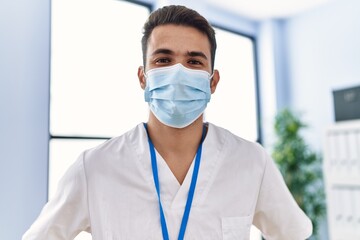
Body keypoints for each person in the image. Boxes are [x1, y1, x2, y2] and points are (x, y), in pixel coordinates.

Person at [23, 5, 313, 240]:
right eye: (163, 60)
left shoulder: (251, 161)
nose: (178, 72)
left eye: (194, 62)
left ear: (213, 82)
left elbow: (292, 233)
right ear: (142, 77)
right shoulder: (95, 167)